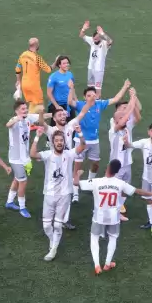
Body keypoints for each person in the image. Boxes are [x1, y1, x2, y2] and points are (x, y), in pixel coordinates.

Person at [81, 159, 152, 274]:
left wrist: (77, 175)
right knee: (113, 238)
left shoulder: (96, 181)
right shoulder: (120, 183)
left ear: (108, 167)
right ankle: (107, 264)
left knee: (94, 238)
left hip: (99, 217)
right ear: (117, 171)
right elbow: (137, 191)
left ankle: (97, 265)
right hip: (114, 217)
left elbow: (77, 183)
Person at [38, 88, 94, 229]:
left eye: (64, 114)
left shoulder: (70, 126)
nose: (63, 116)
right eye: (60, 115)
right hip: (54, 162)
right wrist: (41, 112)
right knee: (53, 186)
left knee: (67, 189)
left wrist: (90, 102)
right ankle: (51, 215)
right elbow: (41, 123)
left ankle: (64, 219)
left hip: (67, 160)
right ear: (54, 118)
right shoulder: (51, 131)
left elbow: (82, 113)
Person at [68, 80, 131, 202]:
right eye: (89, 95)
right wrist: (71, 88)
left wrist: (125, 86)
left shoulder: (99, 104)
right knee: (77, 166)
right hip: (80, 140)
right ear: (85, 97)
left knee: (96, 164)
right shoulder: (81, 105)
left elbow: (116, 99)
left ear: (96, 96)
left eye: (93, 95)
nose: (91, 97)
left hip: (94, 141)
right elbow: (70, 101)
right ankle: (75, 193)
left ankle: (90, 183)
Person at [31, 127, 87, 261]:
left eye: (61, 140)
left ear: (64, 142)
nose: (59, 142)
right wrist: (37, 137)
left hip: (64, 194)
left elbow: (83, 146)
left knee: (57, 224)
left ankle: (53, 249)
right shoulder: (48, 155)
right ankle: (53, 241)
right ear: (53, 142)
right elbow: (32, 154)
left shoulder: (69, 154)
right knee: (46, 225)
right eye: (56, 141)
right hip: (49, 194)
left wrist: (80, 133)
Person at [5, 100, 49, 218]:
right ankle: (22, 207)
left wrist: (45, 112)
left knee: (17, 179)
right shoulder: (14, 120)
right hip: (16, 159)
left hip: (24, 157)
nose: (25, 111)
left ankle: (9, 201)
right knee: (23, 182)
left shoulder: (28, 118)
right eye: (22, 109)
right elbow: (8, 125)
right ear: (17, 111)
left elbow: (42, 118)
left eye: (26, 108)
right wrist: (16, 119)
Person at [108, 88, 141, 221]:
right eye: (121, 116)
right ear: (115, 119)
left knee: (126, 188)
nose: (125, 118)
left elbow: (137, 118)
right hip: (116, 165)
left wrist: (133, 99)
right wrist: (132, 99)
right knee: (114, 189)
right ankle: (111, 211)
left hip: (127, 163)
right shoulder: (113, 130)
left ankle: (118, 209)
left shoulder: (127, 127)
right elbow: (123, 120)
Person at [14, 38, 54, 114]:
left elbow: (17, 69)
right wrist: (55, 62)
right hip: (34, 86)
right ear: (36, 45)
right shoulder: (37, 58)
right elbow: (48, 69)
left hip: (24, 84)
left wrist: (18, 80)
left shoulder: (23, 55)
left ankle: (29, 117)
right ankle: (30, 119)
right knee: (40, 107)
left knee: (32, 104)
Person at [79, 20, 113, 98]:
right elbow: (81, 35)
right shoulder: (92, 40)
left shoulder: (104, 44)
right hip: (90, 69)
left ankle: (97, 104)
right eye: (94, 39)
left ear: (101, 38)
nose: (95, 40)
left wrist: (102, 33)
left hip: (99, 70)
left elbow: (110, 41)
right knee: (90, 90)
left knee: (97, 92)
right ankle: (89, 104)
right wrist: (83, 29)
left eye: (97, 39)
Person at [47, 55, 76, 125]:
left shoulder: (70, 75)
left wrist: (76, 100)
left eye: (67, 63)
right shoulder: (53, 77)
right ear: (59, 65)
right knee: (56, 127)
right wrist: (57, 106)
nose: (66, 65)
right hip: (58, 104)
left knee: (71, 125)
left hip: (69, 104)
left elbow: (72, 88)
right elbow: (49, 93)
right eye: (64, 63)